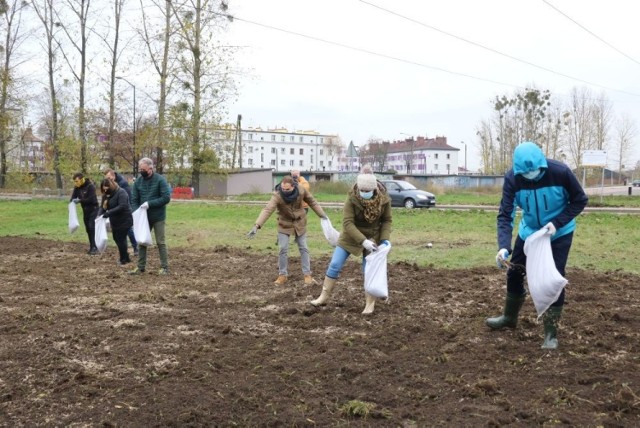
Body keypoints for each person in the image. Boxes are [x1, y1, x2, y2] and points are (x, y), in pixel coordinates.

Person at [489, 141, 588, 349]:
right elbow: (505, 214)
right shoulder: (512, 179)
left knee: (552, 277)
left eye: (535, 170)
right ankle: (509, 317)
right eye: (526, 172)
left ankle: (550, 334)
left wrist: (557, 223)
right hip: (530, 232)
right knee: (515, 272)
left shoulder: (560, 172)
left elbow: (580, 200)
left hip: (558, 232)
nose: (531, 175)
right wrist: (503, 246)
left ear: (542, 164)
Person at [310, 169, 392, 314]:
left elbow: (386, 220)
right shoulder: (352, 198)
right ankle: (323, 297)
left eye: (367, 190)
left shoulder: (384, 199)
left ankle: (369, 304)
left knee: (368, 270)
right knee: (335, 264)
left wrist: (384, 239)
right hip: (350, 236)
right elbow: (348, 223)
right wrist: (362, 241)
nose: (364, 192)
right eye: (362, 190)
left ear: (374, 188)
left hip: (372, 238)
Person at [247, 175, 327, 285]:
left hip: (300, 222)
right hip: (284, 223)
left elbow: (312, 202)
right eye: (283, 189)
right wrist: (256, 226)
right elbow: (268, 209)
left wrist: (322, 215)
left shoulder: (301, 190)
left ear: (293, 186)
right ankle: (282, 275)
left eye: (287, 189)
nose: (284, 191)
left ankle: (307, 275)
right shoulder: (277, 195)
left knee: (303, 247)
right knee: (283, 249)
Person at [129, 157, 172, 275]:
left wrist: (149, 204)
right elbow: (134, 199)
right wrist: (136, 212)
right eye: (139, 168)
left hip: (158, 216)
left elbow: (166, 198)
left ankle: (164, 267)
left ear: (150, 168)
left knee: (160, 242)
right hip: (143, 217)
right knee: (142, 241)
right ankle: (140, 267)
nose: (140, 170)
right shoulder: (138, 181)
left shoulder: (160, 180)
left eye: (143, 169)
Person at [98, 178, 133, 266]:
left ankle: (123, 259)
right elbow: (102, 207)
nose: (105, 190)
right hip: (114, 220)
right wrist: (99, 216)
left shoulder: (121, 192)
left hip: (124, 219)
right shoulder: (106, 195)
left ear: (111, 186)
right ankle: (126, 256)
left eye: (107, 188)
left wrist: (108, 213)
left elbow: (122, 206)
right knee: (116, 238)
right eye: (104, 189)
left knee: (121, 239)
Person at [104, 168, 138, 256]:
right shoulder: (109, 185)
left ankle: (135, 247)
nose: (108, 180)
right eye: (107, 178)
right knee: (118, 233)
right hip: (115, 212)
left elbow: (126, 199)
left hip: (124, 211)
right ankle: (124, 249)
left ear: (113, 175)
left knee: (128, 230)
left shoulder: (123, 183)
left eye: (109, 177)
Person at [70, 172, 99, 255]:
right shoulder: (77, 188)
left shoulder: (90, 186)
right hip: (85, 210)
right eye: (75, 182)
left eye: (77, 181)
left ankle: (95, 247)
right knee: (87, 229)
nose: (76, 183)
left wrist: (80, 200)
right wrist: (71, 202)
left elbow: (91, 199)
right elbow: (73, 197)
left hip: (93, 209)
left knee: (91, 226)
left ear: (82, 179)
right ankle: (92, 246)